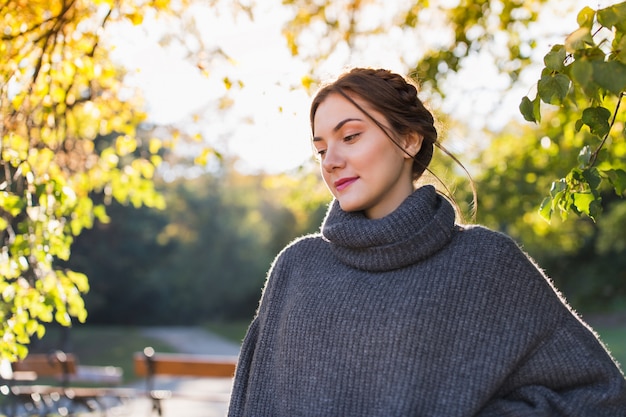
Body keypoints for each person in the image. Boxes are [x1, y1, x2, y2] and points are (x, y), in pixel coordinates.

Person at [227, 67, 626, 416]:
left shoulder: (485, 263)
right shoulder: (297, 268)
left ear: (411, 140)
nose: (330, 160)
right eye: (320, 148)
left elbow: (599, 397)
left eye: (350, 137)